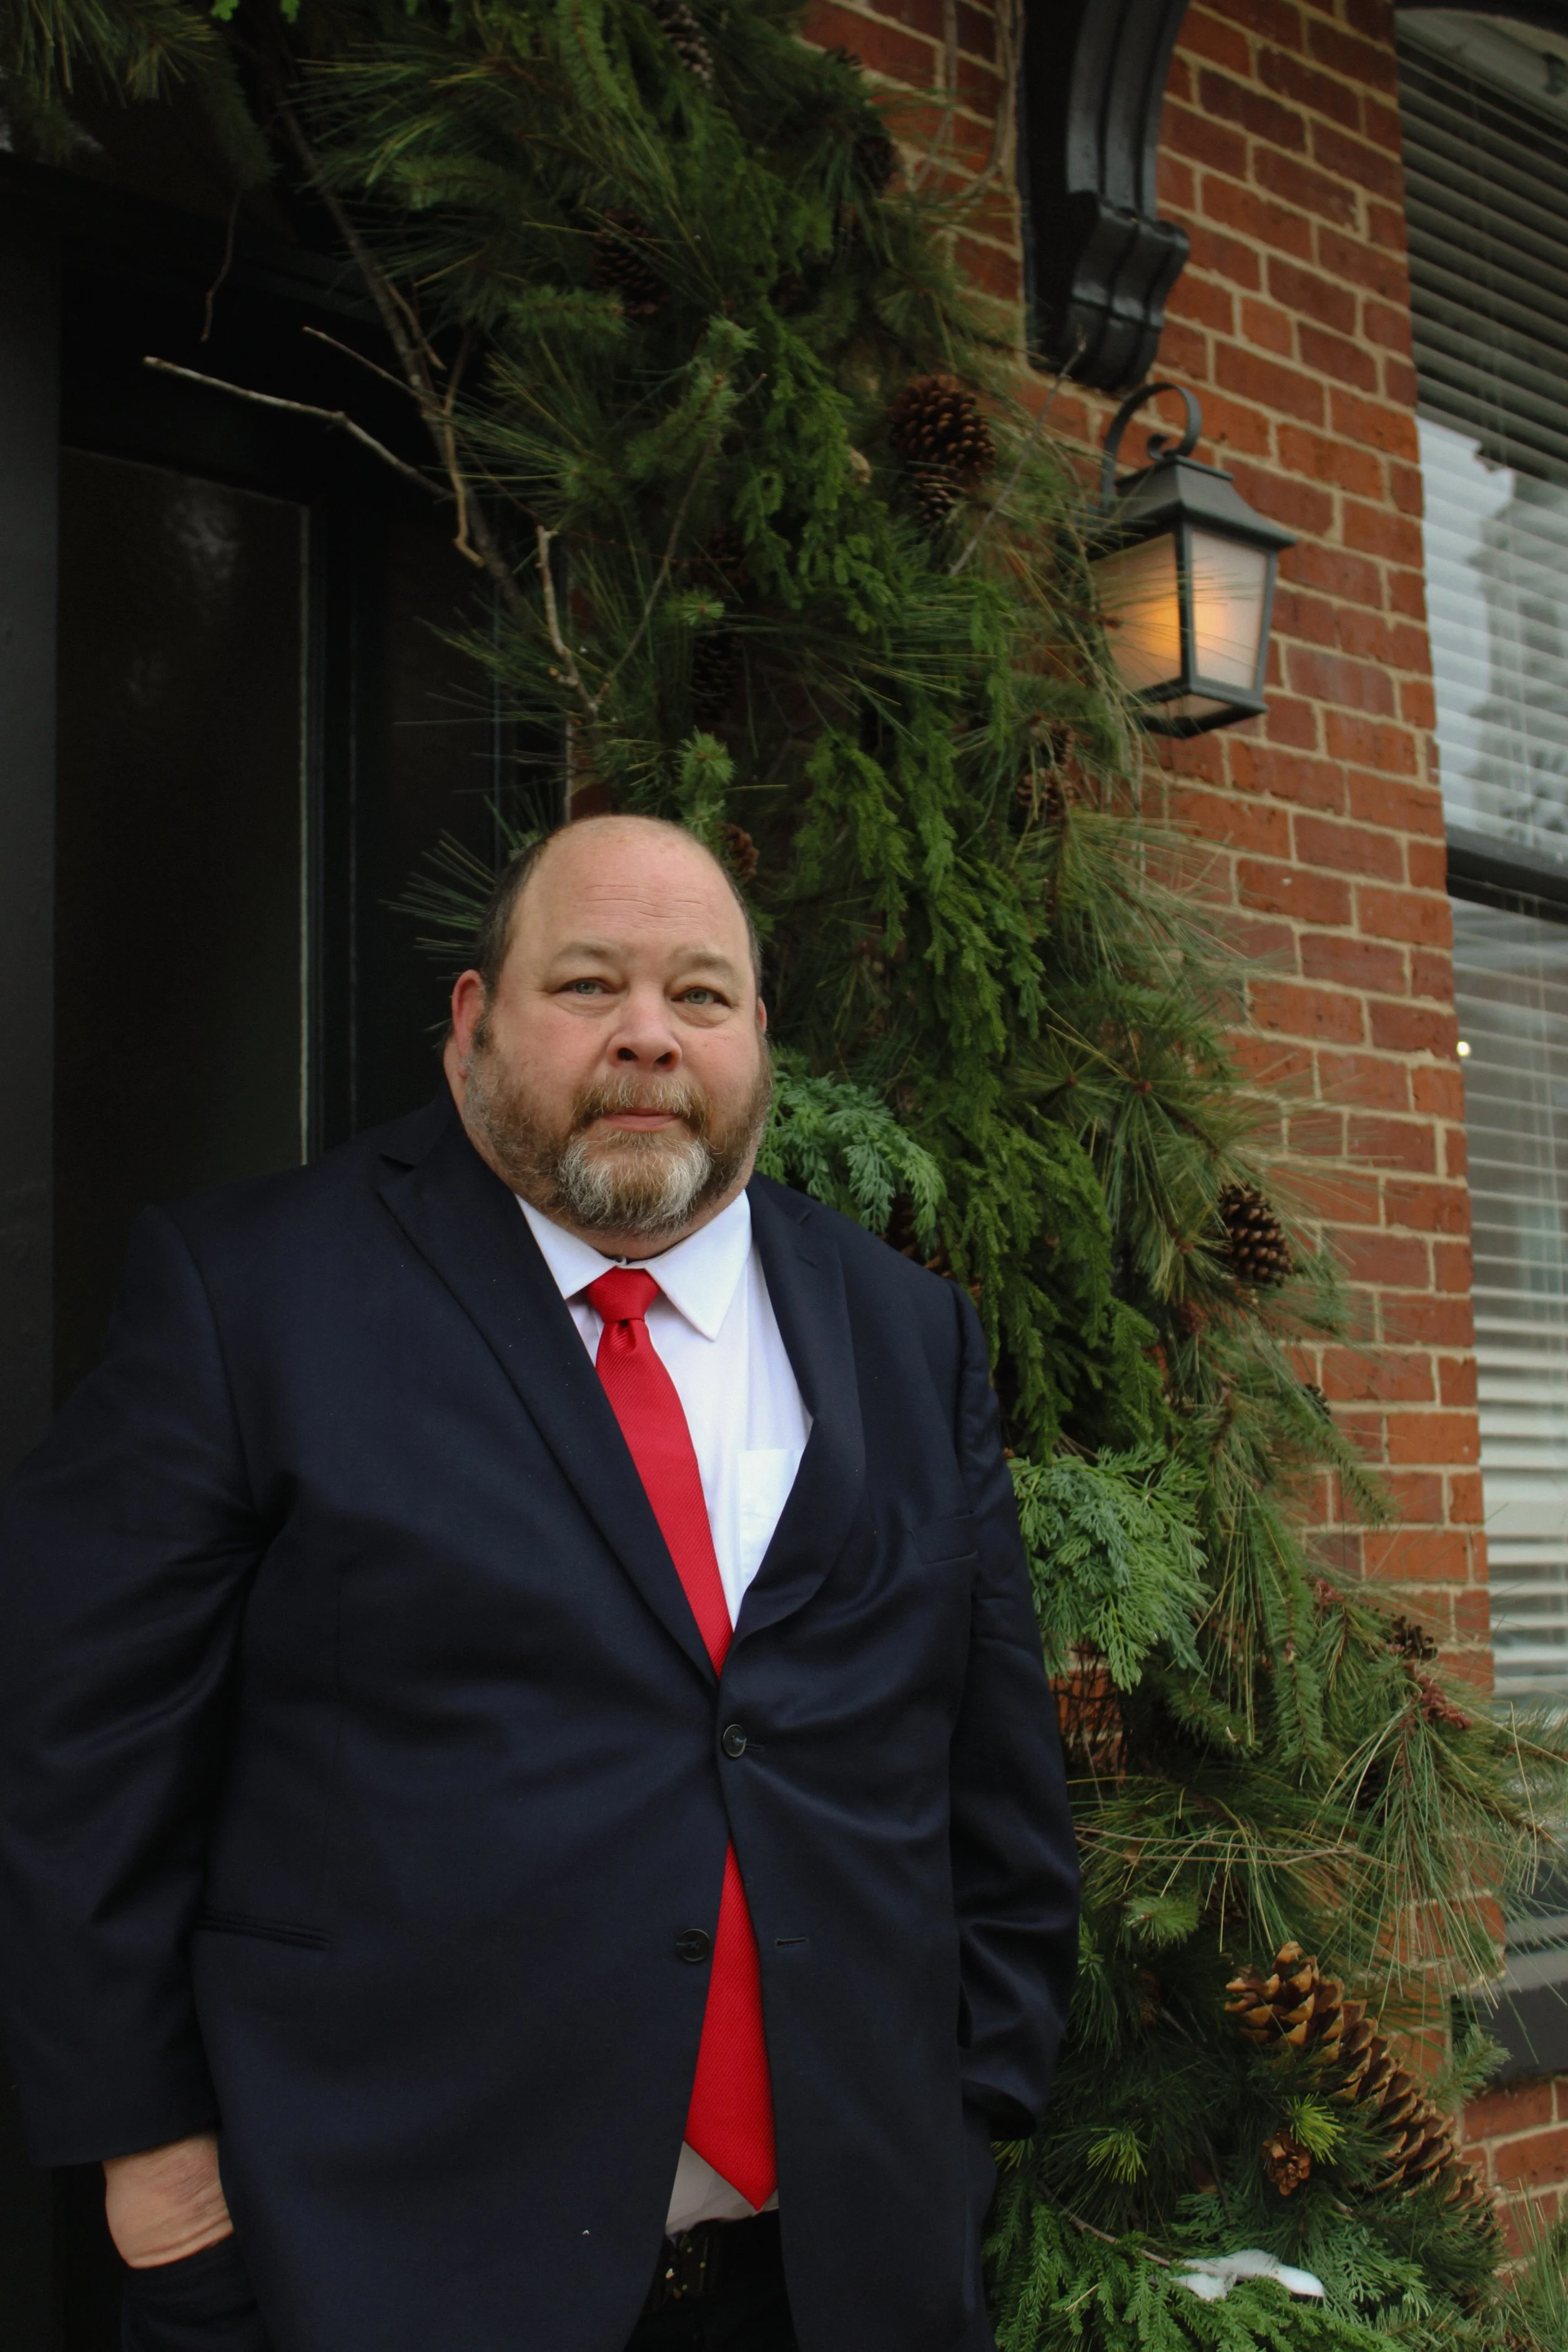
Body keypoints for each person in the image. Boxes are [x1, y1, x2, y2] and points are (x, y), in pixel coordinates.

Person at [0, 813, 1079, 2352]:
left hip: (841, 2276)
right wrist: (158, 2174)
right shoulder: (249, 1297)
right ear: (473, 1023)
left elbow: (988, 1765)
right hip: (375, 2271)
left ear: (757, 1037)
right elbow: (79, 1747)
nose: (648, 1034)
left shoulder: (907, 1332)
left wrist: (973, 2105)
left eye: (699, 994)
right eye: (588, 984)